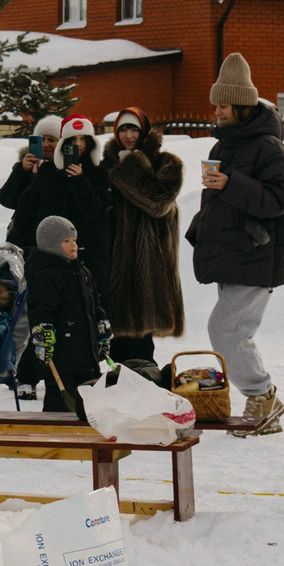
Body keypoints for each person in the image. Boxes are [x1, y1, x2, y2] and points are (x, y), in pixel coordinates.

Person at [184, 54, 284, 435]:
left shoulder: (268, 147)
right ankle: (263, 400)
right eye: (215, 104)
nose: (216, 111)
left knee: (226, 328)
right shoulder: (224, 148)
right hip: (233, 254)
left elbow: (281, 199)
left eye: (223, 105)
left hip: (258, 254)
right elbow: (223, 201)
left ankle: (263, 397)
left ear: (242, 107)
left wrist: (230, 184)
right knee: (233, 329)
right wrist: (202, 227)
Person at [98, 110, 186, 377]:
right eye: (123, 130)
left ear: (144, 132)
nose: (128, 135)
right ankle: (119, 383)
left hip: (151, 252)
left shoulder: (166, 163)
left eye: (134, 130)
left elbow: (158, 203)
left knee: (142, 329)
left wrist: (129, 168)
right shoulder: (105, 164)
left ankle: (145, 379)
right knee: (117, 326)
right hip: (114, 252)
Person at [21, 215, 108, 418]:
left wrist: (101, 324)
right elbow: (40, 310)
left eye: (74, 240)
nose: (73, 245)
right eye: (66, 241)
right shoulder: (46, 275)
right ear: (51, 244)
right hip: (61, 357)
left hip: (86, 354)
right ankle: (53, 441)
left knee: (90, 403)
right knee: (59, 404)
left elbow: (95, 303)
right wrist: (43, 334)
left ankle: (89, 443)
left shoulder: (82, 271)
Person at [21, 117, 115, 294]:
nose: (78, 144)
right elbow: (28, 207)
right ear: (64, 142)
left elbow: (98, 211)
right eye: (72, 139)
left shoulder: (98, 172)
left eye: (82, 138)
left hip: (89, 251)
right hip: (50, 251)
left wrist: (80, 182)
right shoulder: (49, 171)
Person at [0, 114, 66, 256]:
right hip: (23, 239)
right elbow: (6, 199)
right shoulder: (24, 168)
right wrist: (22, 172)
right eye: (40, 140)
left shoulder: (65, 169)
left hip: (55, 239)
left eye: (51, 140)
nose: (46, 145)